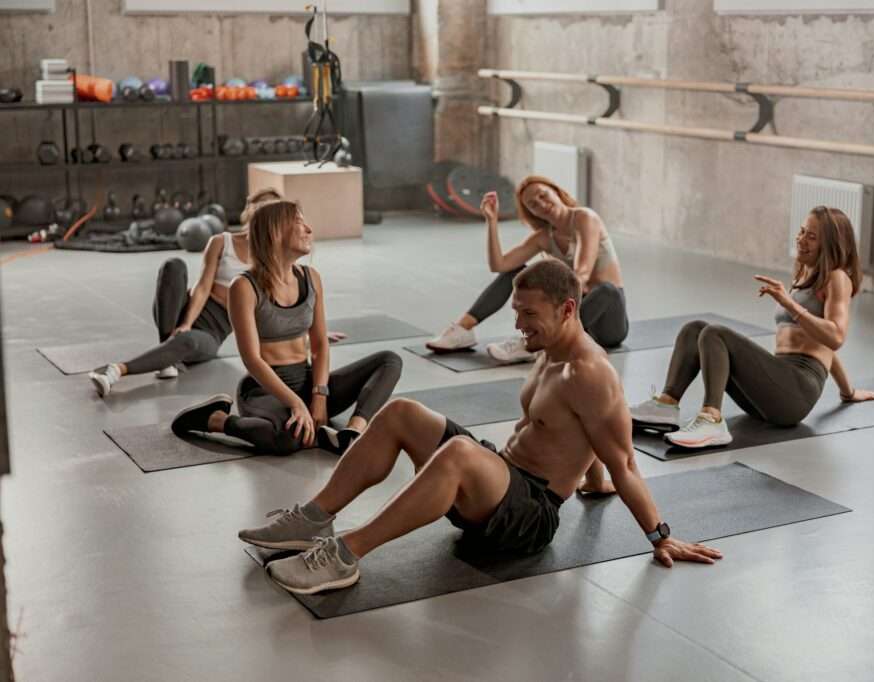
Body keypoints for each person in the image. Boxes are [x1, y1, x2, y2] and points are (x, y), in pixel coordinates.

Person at [237, 259, 721, 594]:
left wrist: (660, 535)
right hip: (499, 482)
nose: (520, 326)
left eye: (530, 315)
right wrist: (593, 482)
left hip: (529, 517)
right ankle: (311, 520)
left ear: (567, 309)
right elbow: (582, 440)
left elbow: (625, 462)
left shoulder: (591, 374)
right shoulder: (551, 353)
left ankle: (345, 555)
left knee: (459, 454)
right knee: (404, 412)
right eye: (517, 313)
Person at [629, 206, 874, 449]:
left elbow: (835, 337)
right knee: (695, 329)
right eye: (802, 231)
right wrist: (848, 392)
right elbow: (823, 348)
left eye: (811, 237)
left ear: (831, 246)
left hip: (796, 392)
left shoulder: (837, 277)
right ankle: (666, 405)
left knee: (715, 334)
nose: (801, 240)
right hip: (778, 387)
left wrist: (789, 304)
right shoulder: (804, 273)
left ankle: (711, 420)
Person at [169, 199, 402, 456]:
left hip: (308, 380)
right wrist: (295, 403)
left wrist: (319, 396)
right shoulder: (244, 286)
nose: (309, 230)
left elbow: (320, 345)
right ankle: (214, 419)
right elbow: (251, 359)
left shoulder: (311, 278)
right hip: (263, 389)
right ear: (275, 232)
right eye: (299, 223)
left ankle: (353, 432)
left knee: (389, 361)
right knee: (288, 440)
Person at [88, 188, 282, 398]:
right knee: (174, 265)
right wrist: (187, 322)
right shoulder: (221, 242)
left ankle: (115, 371)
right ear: (250, 212)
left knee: (188, 340)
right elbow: (203, 287)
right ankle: (167, 354)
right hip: (179, 312)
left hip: (211, 334)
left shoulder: (269, 259)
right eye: (260, 208)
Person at [426, 175, 628, 364]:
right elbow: (500, 264)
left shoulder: (585, 218)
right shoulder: (544, 237)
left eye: (543, 195)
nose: (541, 203)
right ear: (532, 212)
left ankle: (533, 343)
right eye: (533, 204)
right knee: (516, 272)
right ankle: (463, 329)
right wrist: (492, 221)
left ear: (557, 192)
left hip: (607, 321)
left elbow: (582, 273)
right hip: (573, 319)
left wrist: (547, 309)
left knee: (606, 290)